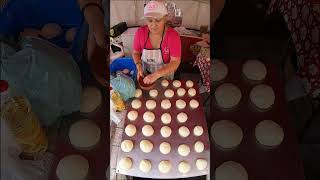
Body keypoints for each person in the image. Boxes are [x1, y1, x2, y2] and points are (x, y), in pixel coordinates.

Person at [132, 0, 181, 84]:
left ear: (165, 18)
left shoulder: (173, 36)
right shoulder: (140, 33)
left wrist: (156, 75)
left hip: (165, 76)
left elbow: (175, 61)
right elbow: (136, 52)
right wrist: (139, 66)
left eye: (158, 20)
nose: (153, 25)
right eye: (150, 20)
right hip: (145, 73)